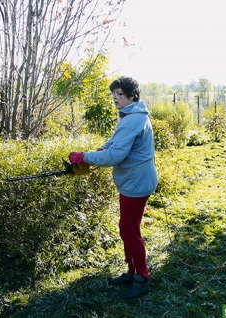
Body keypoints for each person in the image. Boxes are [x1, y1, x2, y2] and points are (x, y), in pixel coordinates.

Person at [69, 76, 158, 299]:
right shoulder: (132, 114)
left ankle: (142, 278)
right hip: (133, 180)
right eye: (114, 95)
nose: (115, 99)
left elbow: (116, 155)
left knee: (130, 231)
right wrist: (101, 150)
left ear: (131, 96)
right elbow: (115, 142)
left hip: (136, 183)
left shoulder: (133, 119)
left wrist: (84, 157)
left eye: (119, 95)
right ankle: (132, 271)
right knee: (126, 228)